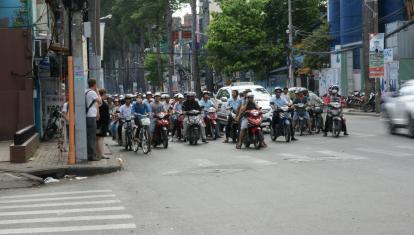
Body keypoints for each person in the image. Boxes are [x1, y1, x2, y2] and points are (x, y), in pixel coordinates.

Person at [85, 78, 102, 161]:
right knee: (92, 137)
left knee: (89, 136)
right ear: (94, 84)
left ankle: (90, 154)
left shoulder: (85, 91)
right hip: (91, 117)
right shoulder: (92, 93)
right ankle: (91, 156)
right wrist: (97, 92)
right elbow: (100, 102)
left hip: (87, 116)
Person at [96, 89, 110, 159]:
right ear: (103, 94)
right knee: (100, 138)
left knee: (99, 138)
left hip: (102, 122)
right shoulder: (100, 100)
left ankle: (99, 153)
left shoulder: (101, 100)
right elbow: (97, 108)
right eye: (105, 94)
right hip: (101, 122)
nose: (106, 95)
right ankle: (101, 154)